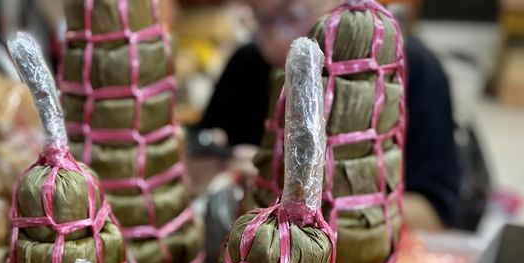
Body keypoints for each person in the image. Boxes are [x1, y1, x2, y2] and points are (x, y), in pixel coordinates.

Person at [195, 0, 462, 230]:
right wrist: (218, 168)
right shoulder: (246, 65)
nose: (274, 43)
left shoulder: (405, 69)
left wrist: (306, 196)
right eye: (259, 19)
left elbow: (435, 214)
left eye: (293, 14)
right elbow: (199, 158)